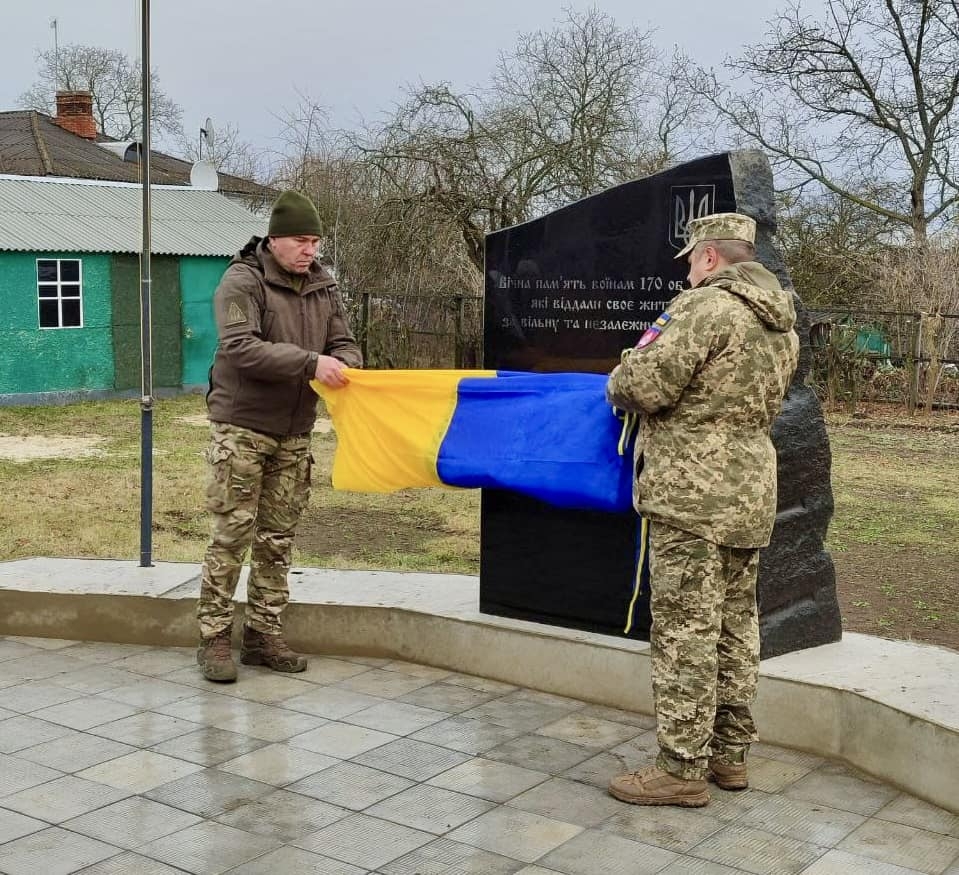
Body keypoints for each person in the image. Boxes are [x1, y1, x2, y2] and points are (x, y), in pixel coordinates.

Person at [605, 212, 799, 807]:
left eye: (691, 259)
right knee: (736, 627)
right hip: (749, 492)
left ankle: (680, 768)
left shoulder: (703, 308)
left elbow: (644, 387)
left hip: (692, 494)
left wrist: (618, 374)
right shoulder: (782, 322)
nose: (688, 271)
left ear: (710, 257)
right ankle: (729, 756)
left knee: (686, 631)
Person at [196, 190, 362, 683]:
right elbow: (241, 348)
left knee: (277, 540)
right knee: (231, 536)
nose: (309, 249)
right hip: (242, 429)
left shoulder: (323, 286)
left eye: (315, 241)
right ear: (275, 239)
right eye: (300, 240)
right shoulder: (242, 281)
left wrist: (347, 364)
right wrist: (312, 363)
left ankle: (263, 634)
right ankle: (214, 638)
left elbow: (344, 342)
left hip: (295, 432)